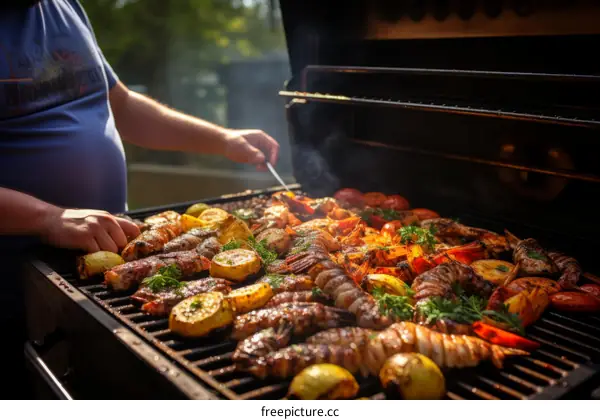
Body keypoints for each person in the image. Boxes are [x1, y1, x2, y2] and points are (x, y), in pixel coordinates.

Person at [0, 0, 280, 398]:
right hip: (15, 284)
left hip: (104, 262)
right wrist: (49, 218)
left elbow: (124, 107)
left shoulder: (64, 7)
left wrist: (222, 139)